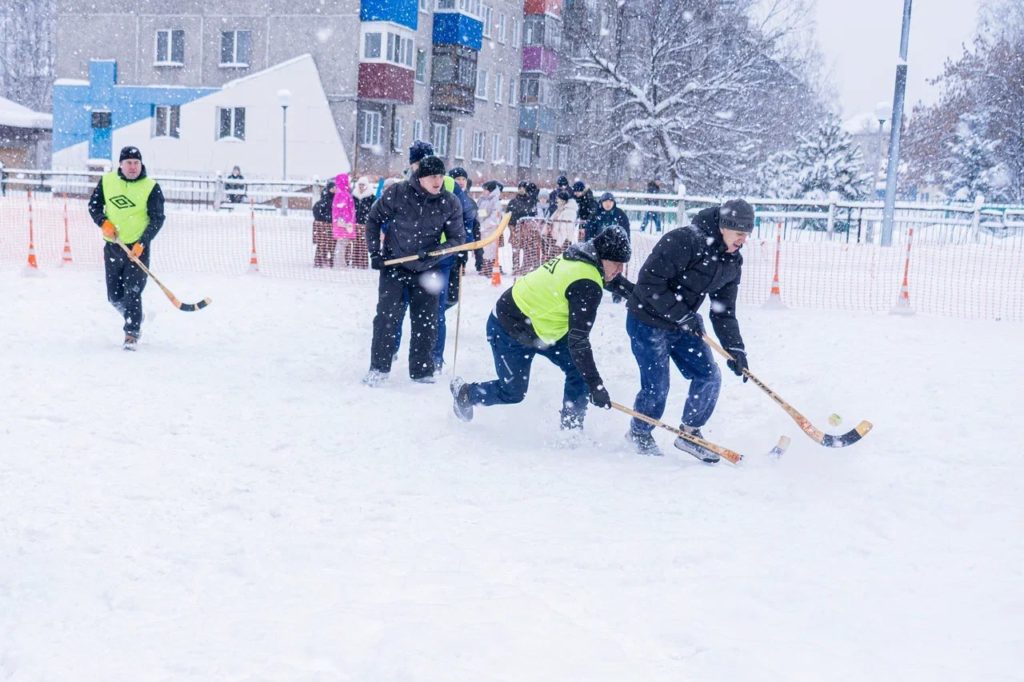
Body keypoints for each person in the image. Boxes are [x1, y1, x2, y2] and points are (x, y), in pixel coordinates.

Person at [450, 227, 634, 431]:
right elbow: (579, 340)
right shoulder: (587, 283)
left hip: (543, 329)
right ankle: (466, 394)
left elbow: (611, 280)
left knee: (579, 371)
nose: (620, 270)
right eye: (616, 264)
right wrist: (595, 385)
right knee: (513, 392)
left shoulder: (584, 256)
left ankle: (571, 429)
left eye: (622, 265)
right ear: (602, 257)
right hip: (508, 328)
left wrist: (639, 296)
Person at [623, 198, 755, 460]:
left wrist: (735, 348)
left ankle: (690, 433)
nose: (744, 240)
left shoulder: (731, 262)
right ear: (723, 227)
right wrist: (682, 315)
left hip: (683, 324)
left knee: (708, 375)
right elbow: (648, 284)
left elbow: (723, 311)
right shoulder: (684, 241)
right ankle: (639, 433)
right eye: (740, 233)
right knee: (657, 386)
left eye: (747, 234)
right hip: (647, 320)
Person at [363, 155, 464, 386]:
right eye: (432, 176)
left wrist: (436, 252)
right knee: (387, 319)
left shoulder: (449, 202)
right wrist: (375, 253)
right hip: (395, 266)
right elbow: (373, 219)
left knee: (426, 321)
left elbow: (458, 239)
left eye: (440, 176)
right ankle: (379, 369)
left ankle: (422, 371)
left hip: (428, 269)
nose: (437, 181)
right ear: (420, 177)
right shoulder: (398, 193)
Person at [87, 145, 166, 350]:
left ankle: (131, 332)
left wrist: (142, 242)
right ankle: (135, 315)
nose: (133, 167)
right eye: (129, 163)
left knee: (133, 291)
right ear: (120, 165)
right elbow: (94, 206)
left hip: (137, 249)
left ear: (141, 164)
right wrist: (103, 221)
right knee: (114, 296)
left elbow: (157, 218)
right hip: (114, 247)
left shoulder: (151, 187)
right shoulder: (107, 182)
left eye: (136, 163)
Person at [331, 173, 359, 267]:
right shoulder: (343, 194)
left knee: (342, 243)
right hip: (344, 224)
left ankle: (340, 263)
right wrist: (348, 222)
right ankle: (339, 264)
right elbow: (343, 210)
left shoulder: (340, 193)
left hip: (341, 223)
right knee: (342, 244)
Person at [477, 180, 504, 277]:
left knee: (491, 250)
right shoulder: (484, 200)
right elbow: (481, 213)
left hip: (491, 231)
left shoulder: (496, 201)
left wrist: (485, 225)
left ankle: (490, 269)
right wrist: (481, 222)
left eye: (485, 190)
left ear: (490, 190)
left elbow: (495, 217)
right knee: (485, 250)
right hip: (484, 230)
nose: (483, 192)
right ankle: (485, 267)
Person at [544, 189, 578, 260]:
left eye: (558, 199)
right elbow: (551, 220)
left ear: (563, 201)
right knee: (551, 260)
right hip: (556, 240)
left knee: (558, 261)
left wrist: (558, 244)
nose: (557, 200)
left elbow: (565, 230)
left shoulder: (569, 212)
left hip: (563, 242)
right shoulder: (560, 209)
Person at [311, 180, 337, 267]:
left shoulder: (337, 200)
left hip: (334, 227)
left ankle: (332, 262)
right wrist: (326, 218)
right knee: (322, 244)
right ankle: (319, 261)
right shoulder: (323, 201)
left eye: (335, 188)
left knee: (333, 245)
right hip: (324, 227)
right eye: (332, 188)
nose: (334, 189)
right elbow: (316, 212)